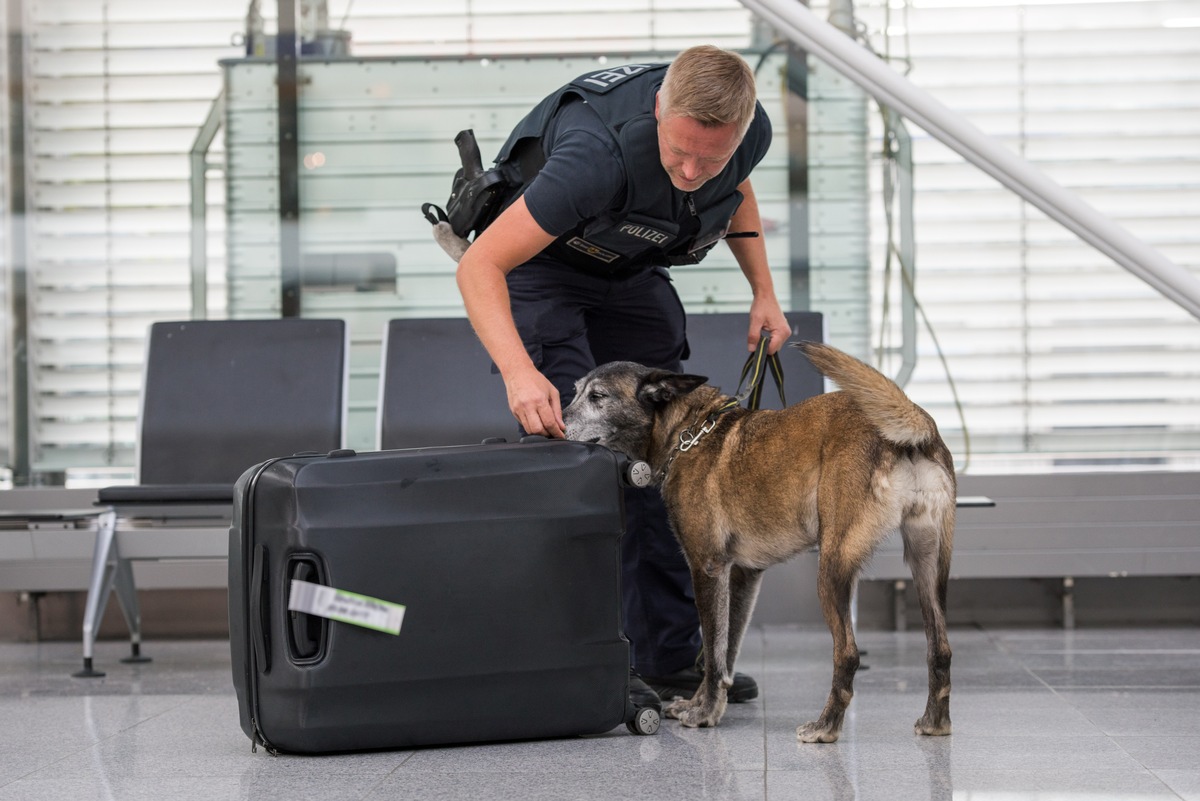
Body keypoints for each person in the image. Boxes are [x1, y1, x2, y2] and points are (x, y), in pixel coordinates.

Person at [455, 44, 792, 707]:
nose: (693, 170)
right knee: (582, 460)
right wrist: (520, 373)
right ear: (660, 109)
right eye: (679, 153)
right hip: (540, 270)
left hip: (628, 270)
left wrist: (764, 292)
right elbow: (479, 266)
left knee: (671, 459)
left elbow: (737, 188)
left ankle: (669, 654)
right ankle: (574, 656)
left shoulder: (745, 139)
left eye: (710, 156)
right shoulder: (596, 156)